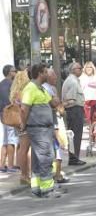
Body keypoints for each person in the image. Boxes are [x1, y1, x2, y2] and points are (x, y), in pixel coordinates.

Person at [20, 63, 61, 198]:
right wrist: (23, 124)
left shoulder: (41, 89)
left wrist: (57, 100)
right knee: (45, 158)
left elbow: (52, 103)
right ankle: (47, 189)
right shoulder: (30, 89)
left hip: (44, 129)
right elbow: (24, 109)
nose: (47, 75)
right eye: (45, 72)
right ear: (39, 74)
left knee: (38, 159)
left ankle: (36, 187)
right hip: (38, 129)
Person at [43, 68, 69, 184]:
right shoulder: (45, 88)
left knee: (58, 149)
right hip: (51, 123)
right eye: (54, 76)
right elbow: (54, 104)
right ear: (47, 76)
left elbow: (58, 105)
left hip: (56, 121)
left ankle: (57, 174)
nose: (56, 78)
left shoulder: (52, 88)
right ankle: (54, 175)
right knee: (56, 148)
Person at [9, 68, 31, 185]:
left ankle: (24, 174)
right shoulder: (22, 93)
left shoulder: (14, 93)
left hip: (17, 123)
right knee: (25, 149)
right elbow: (23, 109)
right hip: (23, 123)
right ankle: (25, 174)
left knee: (21, 148)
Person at [61, 62, 86, 165]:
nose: (81, 70)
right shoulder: (72, 82)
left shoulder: (74, 80)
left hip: (75, 109)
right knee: (75, 134)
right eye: (79, 68)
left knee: (75, 134)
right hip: (74, 109)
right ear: (73, 70)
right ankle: (74, 158)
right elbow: (70, 99)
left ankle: (74, 157)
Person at [0, 64, 19, 173]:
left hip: (3, 115)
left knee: (6, 140)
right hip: (10, 114)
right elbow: (11, 101)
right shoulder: (11, 84)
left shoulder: (1, 84)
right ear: (9, 73)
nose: (15, 73)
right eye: (14, 71)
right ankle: (10, 165)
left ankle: (2, 164)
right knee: (11, 140)